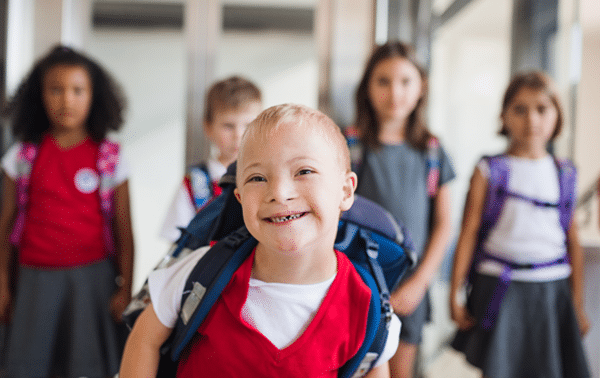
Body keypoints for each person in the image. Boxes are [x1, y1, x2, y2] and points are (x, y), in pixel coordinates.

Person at [120, 104, 401, 378]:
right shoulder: (203, 273)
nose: (279, 192)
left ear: (345, 190)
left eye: (303, 171)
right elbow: (145, 340)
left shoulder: (367, 309)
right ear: (240, 197)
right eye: (257, 178)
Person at [0, 45, 134, 378]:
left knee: (86, 366)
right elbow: (5, 224)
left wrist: (126, 287)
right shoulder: (22, 156)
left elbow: (124, 230)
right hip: (33, 279)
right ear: (39, 96)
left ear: (95, 96)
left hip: (93, 281)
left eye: (78, 90)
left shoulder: (109, 157)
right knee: (29, 365)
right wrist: (2, 281)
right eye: (55, 90)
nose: (66, 100)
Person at [449, 71, 590, 378]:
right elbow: (469, 232)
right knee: (500, 368)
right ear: (504, 115)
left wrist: (577, 303)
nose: (532, 120)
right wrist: (455, 293)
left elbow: (572, 241)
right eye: (520, 109)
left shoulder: (564, 173)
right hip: (499, 287)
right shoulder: (489, 170)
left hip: (551, 289)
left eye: (542, 109)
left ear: (557, 115)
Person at [351, 41, 455, 377]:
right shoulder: (349, 146)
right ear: (367, 87)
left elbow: (444, 224)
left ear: (421, 86)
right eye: (383, 81)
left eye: (405, 81)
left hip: (410, 288)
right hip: (357, 284)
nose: (394, 92)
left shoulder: (433, 153)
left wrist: (420, 283)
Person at [160, 76, 262, 242]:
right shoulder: (195, 181)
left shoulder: (268, 177)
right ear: (208, 127)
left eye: (248, 125)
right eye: (228, 126)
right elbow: (176, 241)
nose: (238, 135)